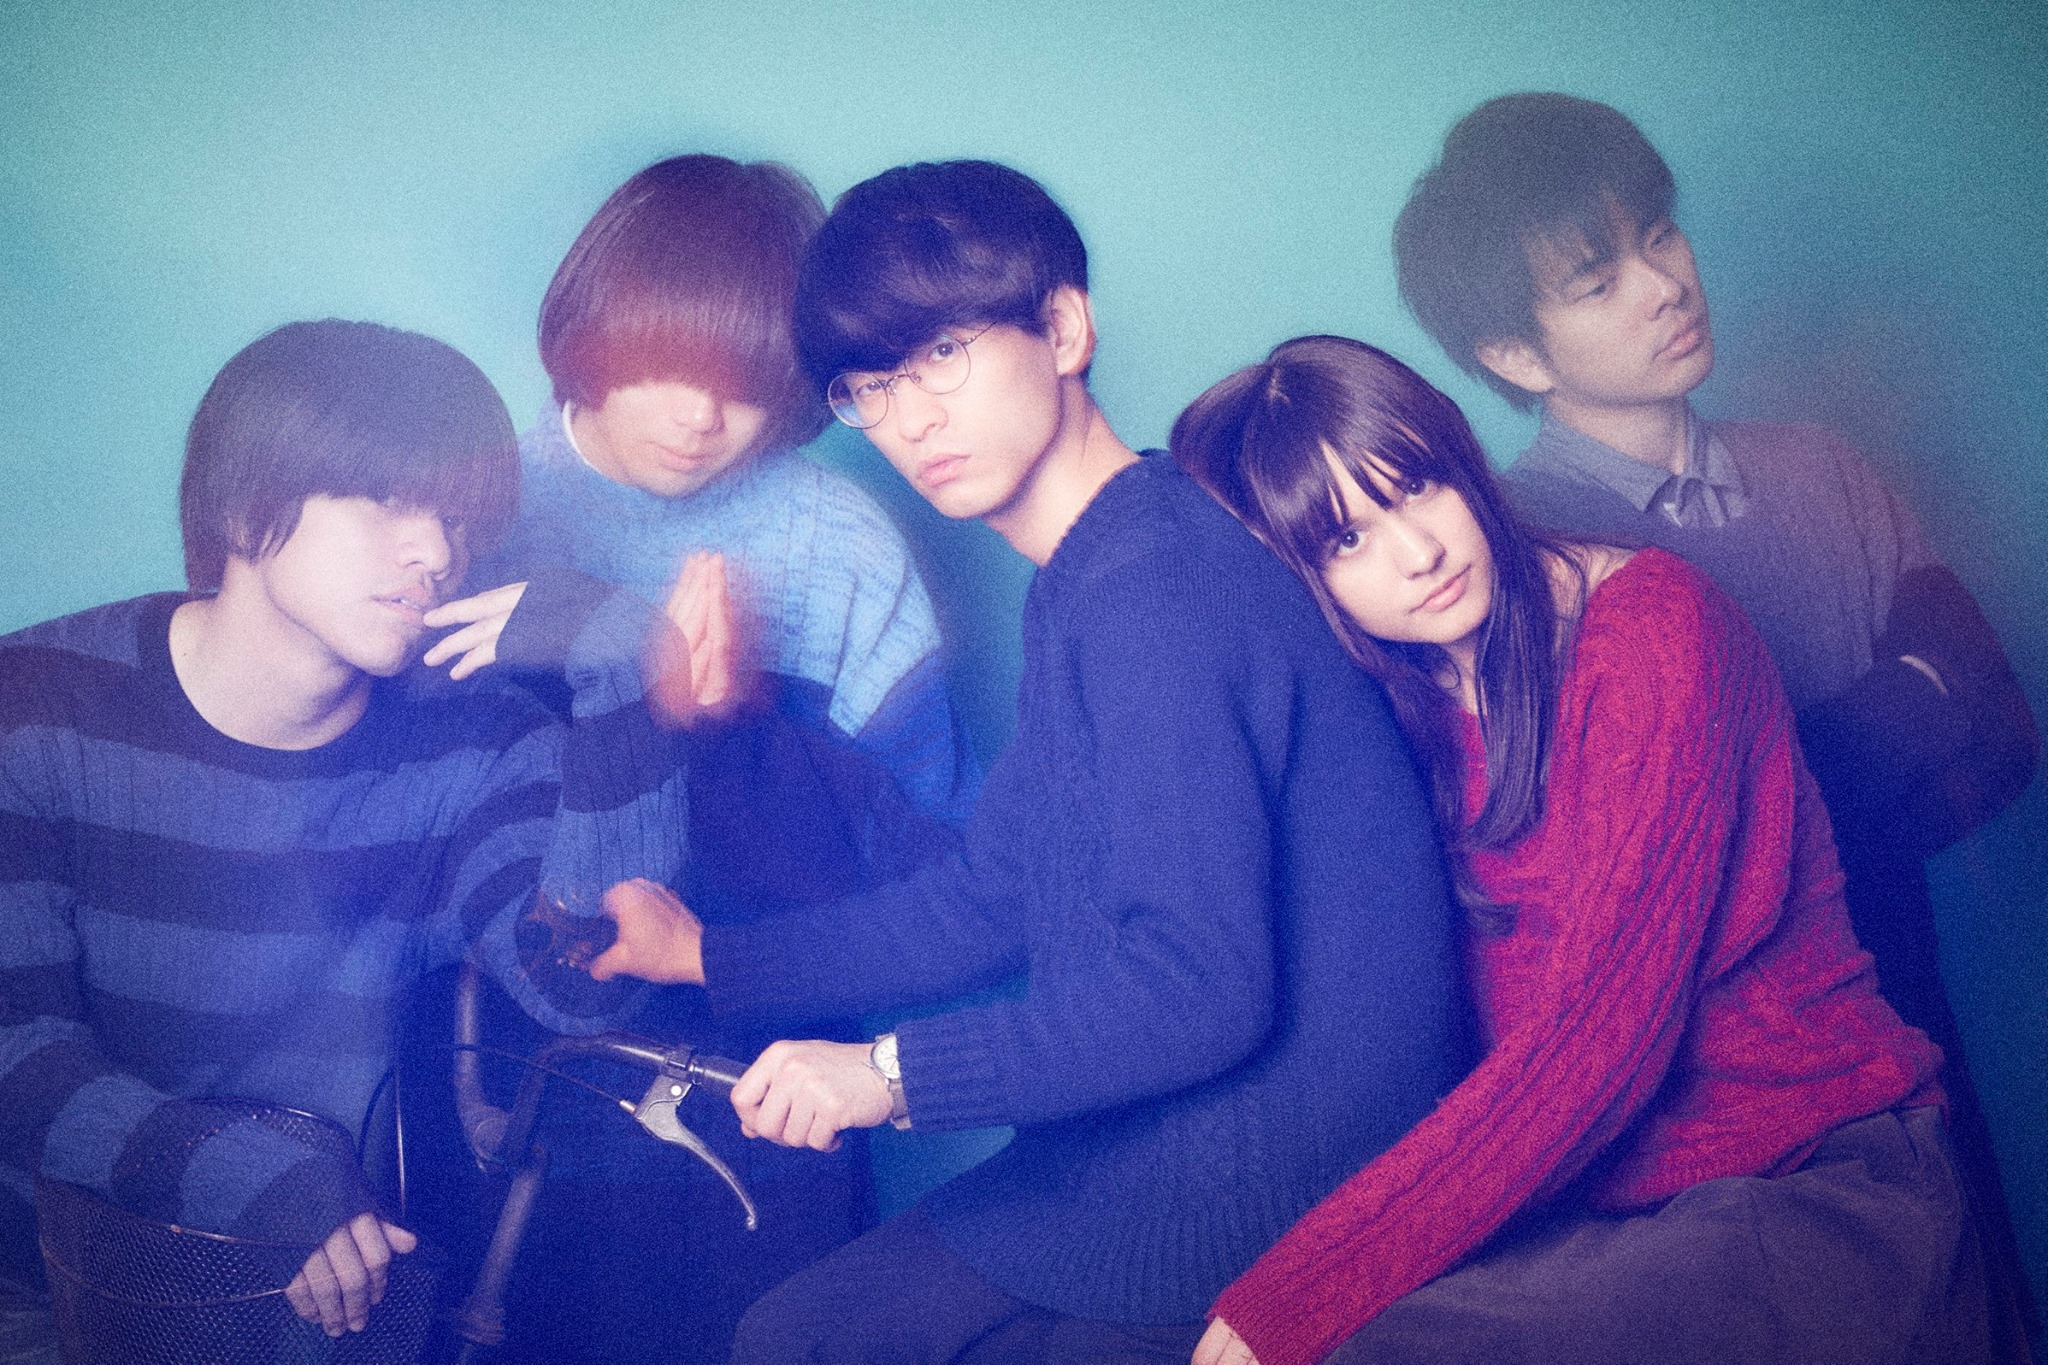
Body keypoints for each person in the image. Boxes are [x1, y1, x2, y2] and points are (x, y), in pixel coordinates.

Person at [590, 160, 1468, 1363]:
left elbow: (1196, 989)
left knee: (797, 1343)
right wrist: (706, 956)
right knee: (795, 1334)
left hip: (1264, 1194)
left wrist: (884, 1075)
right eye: (868, 386)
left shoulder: (1153, 587)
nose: (908, 420)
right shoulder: (1097, 571)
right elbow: (993, 894)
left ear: (1062, 329)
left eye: (941, 355)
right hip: (1153, 1159)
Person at [1173, 334, 1983, 1365]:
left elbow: (1601, 1034)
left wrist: (1294, 1292)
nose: (1416, 551)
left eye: (1415, 486)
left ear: (1458, 459)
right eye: (1346, 540)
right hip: (1592, 1211)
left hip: (1808, 1174)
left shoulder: (1651, 631)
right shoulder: (1391, 709)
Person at [1391, 91, 2038, 1358]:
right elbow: (1611, 878)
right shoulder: (1515, 558)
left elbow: (2000, 736)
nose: (1662, 286)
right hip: (1696, 1114)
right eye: (1596, 280)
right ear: (1513, 354)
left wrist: (1779, 778)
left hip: (1905, 1018)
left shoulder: (1821, 471)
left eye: (1658, 234)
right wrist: (1899, 707)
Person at [0, 319, 689, 1352]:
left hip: (332, 1297)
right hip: (53, 1282)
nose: (437, 555)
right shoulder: (35, 710)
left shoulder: (479, 744)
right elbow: (15, 1053)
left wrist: (630, 675)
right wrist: (260, 1178)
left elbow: (585, 985)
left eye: (457, 520)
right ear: (247, 504)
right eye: (388, 501)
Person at [416, 153, 978, 1364]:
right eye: (664, 364)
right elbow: (400, 826)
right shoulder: (464, 514)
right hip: (505, 1094)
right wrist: (609, 668)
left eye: (744, 383)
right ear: (588, 330)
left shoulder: (840, 546)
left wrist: (734, 738)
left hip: (765, 1098)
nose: (696, 418)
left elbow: (934, 882)